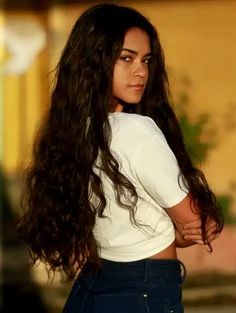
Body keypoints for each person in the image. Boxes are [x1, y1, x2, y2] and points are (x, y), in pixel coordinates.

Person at [17, 3, 224, 313]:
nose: (141, 71)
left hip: (91, 286)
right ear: (95, 62)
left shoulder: (74, 133)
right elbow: (200, 224)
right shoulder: (138, 131)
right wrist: (183, 219)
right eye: (126, 58)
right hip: (143, 290)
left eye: (146, 60)